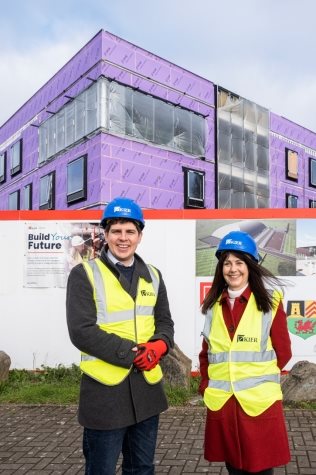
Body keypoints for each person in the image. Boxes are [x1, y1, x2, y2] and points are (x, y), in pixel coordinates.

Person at [66, 197, 174, 475]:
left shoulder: (154, 275)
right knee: (101, 469)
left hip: (147, 392)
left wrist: (159, 346)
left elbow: (165, 323)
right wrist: (133, 353)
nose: (123, 238)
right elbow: (82, 331)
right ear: (105, 233)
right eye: (116, 231)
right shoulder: (84, 274)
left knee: (142, 468)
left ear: (140, 235)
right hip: (105, 394)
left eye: (129, 231)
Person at [199, 230, 292, 475]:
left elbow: (283, 352)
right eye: (227, 262)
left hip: (258, 407)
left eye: (239, 262)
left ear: (250, 265)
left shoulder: (270, 303)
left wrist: (257, 381)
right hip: (225, 405)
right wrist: (207, 385)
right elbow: (207, 353)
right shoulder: (212, 305)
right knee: (234, 469)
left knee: (261, 470)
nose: (233, 269)